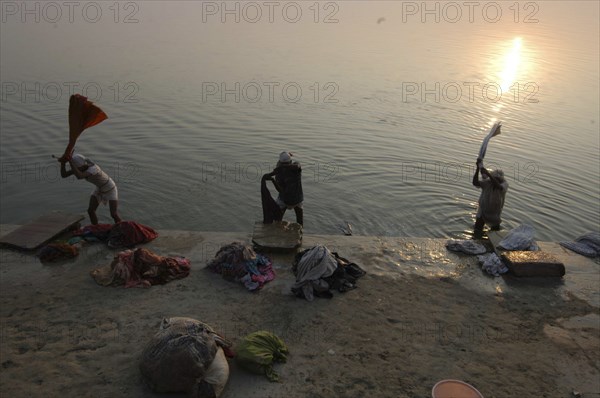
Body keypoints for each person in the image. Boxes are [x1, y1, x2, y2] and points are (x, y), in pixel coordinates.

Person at [60, 153, 122, 225]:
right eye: (77, 168)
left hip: (110, 188)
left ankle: (122, 228)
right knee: (91, 211)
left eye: (78, 168)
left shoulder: (93, 168)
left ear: (83, 164)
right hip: (99, 188)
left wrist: (70, 162)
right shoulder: (80, 168)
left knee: (113, 214)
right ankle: (96, 227)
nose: (78, 169)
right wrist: (63, 163)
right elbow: (64, 175)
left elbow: (79, 176)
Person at [263, 151, 304, 226]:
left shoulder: (280, 172)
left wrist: (273, 179)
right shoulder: (296, 169)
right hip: (297, 200)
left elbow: (280, 190)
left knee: (277, 219)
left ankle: (278, 232)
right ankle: (301, 234)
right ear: (291, 161)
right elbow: (298, 165)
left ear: (280, 163)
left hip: (284, 200)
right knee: (300, 220)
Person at [472, 158, 508, 234]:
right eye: (495, 178)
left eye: (498, 179)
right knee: (477, 230)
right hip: (483, 211)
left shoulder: (504, 184)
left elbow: (498, 186)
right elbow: (475, 183)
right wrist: (478, 168)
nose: (496, 180)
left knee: (496, 233)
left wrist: (488, 174)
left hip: (495, 213)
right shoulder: (488, 183)